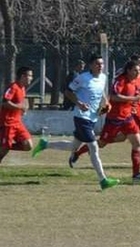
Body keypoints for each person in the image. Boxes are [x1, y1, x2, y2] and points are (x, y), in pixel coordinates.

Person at [33, 55, 120, 190]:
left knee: (73, 147)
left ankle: (45, 144)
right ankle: (103, 180)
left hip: (92, 117)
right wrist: (79, 103)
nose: (100, 66)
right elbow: (68, 91)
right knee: (93, 147)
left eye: (102, 64)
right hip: (81, 117)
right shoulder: (82, 78)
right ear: (90, 65)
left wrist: (106, 103)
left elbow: (102, 92)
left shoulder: (103, 77)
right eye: (97, 64)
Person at [1, 67, 38, 163]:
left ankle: (4, 145)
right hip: (7, 122)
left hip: (17, 123)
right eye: (30, 75)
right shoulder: (13, 87)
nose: (31, 78)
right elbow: (4, 102)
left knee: (28, 145)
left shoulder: (22, 89)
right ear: (22, 76)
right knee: (4, 150)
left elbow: (19, 104)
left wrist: (23, 109)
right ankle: (4, 146)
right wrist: (20, 107)